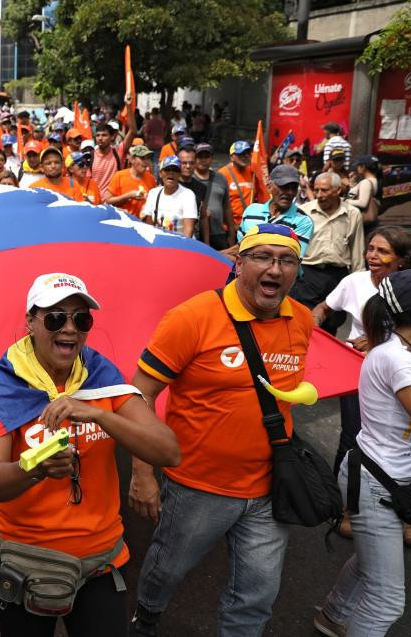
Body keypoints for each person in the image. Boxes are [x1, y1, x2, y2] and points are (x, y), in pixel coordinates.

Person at [129, 223, 313, 636]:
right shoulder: (191, 317)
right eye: (264, 257)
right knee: (167, 568)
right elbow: (138, 395)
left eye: (287, 261)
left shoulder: (300, 319)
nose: (276, 269)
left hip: (269, 487)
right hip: (197, 485)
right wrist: (142, 473)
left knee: (257, 594)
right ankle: (147, 615)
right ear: (240, 262)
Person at [0, 273, 179, 637]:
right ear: (30, 323)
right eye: (55, 318)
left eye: (81, 319)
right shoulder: (5, 382)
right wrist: (36, 469)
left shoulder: (101, 377)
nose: (69, 329)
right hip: (23, 560)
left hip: (100, 560)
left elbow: (168, 450)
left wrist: (100, 414)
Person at [314, 269, 411, 637]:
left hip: (387, 478)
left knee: (368, 563)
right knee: (387, 599)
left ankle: (331, 616)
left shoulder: (401, 351)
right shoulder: (398, 360)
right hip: (375, 484)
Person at [310, 227, 411, 504]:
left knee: (403, 441)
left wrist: (376, 341)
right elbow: (324, 307)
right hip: (357, 371)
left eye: (382, 251)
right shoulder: (354, 282)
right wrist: (311, 326)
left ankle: (401, 507)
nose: (372, 255)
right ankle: (342, 505)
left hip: (405, 375)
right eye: (370, 249)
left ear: (402, 260)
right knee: (353, 435)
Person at [293, 171, 366, 332]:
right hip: (308, 275)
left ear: (338, 190)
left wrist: (359, 285)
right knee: (303, 323)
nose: (319, 195)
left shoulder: (353, 214)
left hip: (337, 277)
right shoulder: (304, 212)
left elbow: (357, 252)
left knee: (332, 325)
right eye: (316, 190)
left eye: (324, 190)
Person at [234, 164, 314, 259]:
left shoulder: (303, 221)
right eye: (284, 187)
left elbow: (291, 260)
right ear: (269, 187)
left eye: (294, 188)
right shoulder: (251, 211)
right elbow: (240, 247)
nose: (290, 193)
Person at [189, 143, 234, 249]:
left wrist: (231, 232)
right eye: (200, 156)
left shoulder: (221, 178)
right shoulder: (189, 179)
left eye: (206, 156)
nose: (203, 160)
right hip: (196, 233)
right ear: (194, 158)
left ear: (212, 158)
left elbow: (226, 206)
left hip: (218, 232)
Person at [142, 156, 198, 237]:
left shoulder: (188, 195)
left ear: (179, 175)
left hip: (181, 244)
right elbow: (148, 227)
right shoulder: (153, 193)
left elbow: (188, 233)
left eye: (175, 170)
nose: (171, 173)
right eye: (167, 170)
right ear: (160, 173)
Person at [219, 141, 267, 230]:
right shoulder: (222, 174)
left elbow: (261, 195)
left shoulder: (253, 171)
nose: (245, 156)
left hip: (250, 225)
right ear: (231, 157)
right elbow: (218, 203)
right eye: (241, 154)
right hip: (229, 228)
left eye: (247, 153)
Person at [106, 145, 157, 219]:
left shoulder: (151, 178)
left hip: (144, 224)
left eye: (148, 158)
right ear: (132, 159)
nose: (146, 162)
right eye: (142, 158)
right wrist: (128, 196)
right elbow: (108, 200)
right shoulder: (119, 176)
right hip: (123, 222)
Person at [347, 155, 380, 229]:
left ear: (363, 167)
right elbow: (352, 195)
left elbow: (363, 203)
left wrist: (345, 201)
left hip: (363, 222)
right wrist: (353, 185)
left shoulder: (366, 182)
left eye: (358, 166)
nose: (357, 168)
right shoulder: (375, 180)